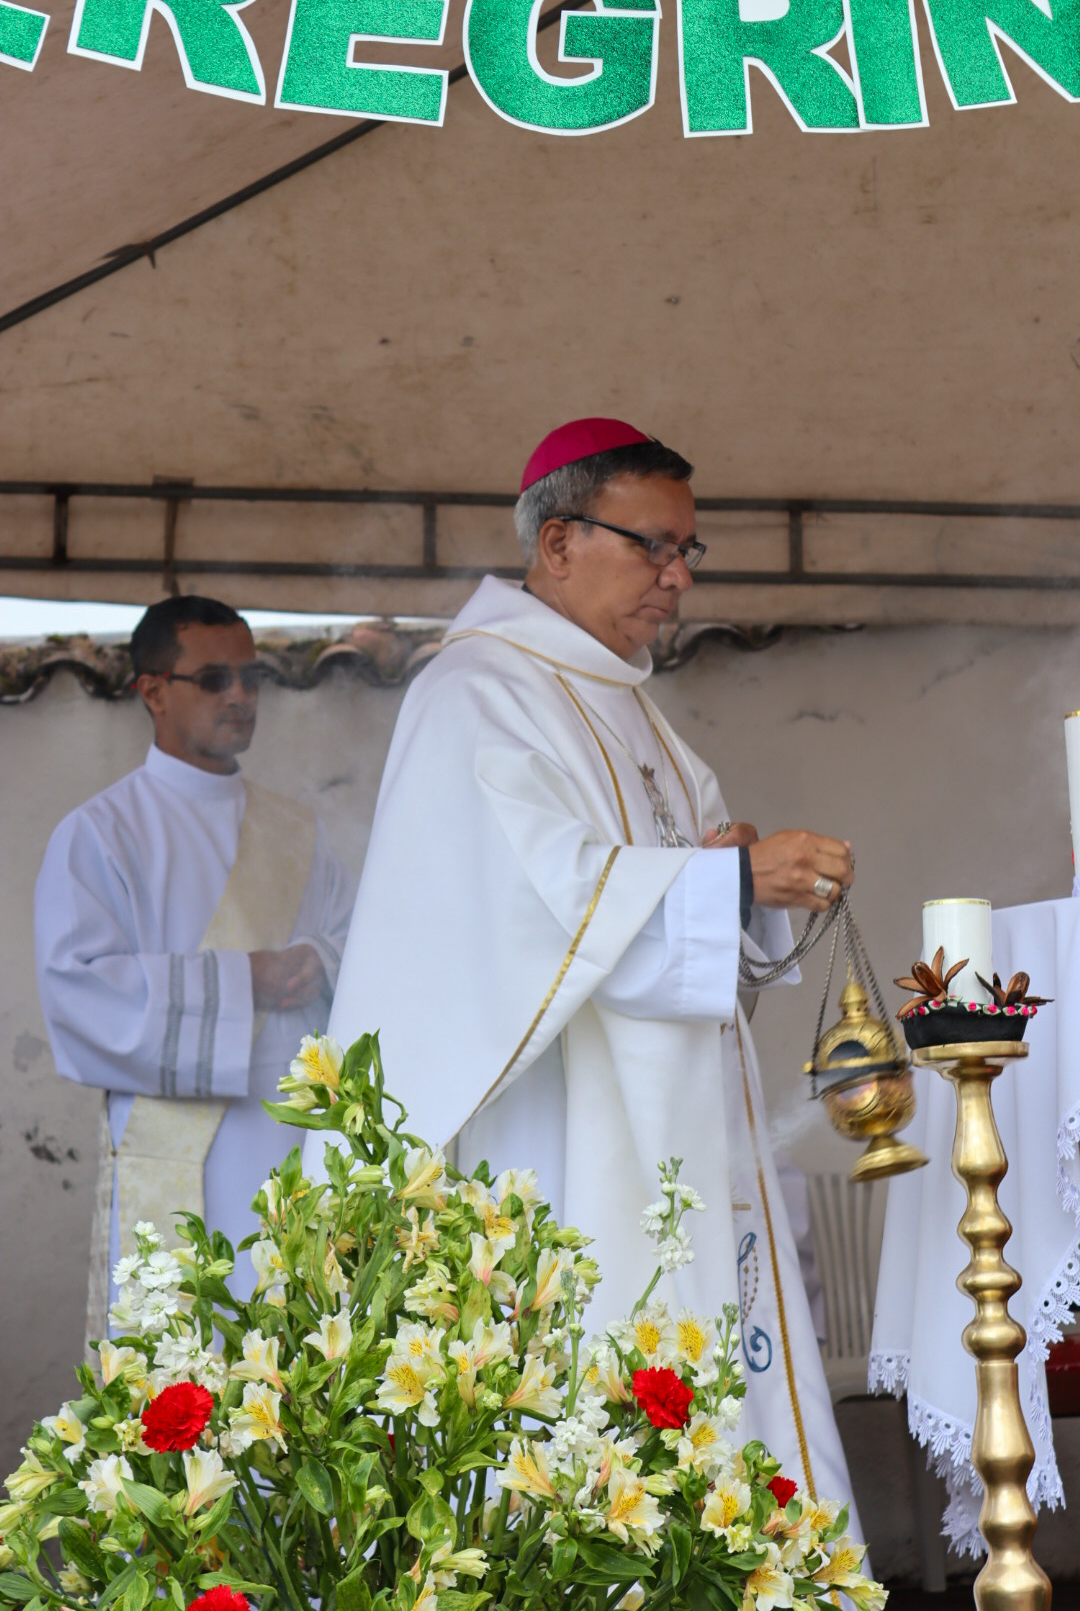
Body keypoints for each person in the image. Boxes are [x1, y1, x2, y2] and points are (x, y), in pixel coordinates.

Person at [308, 418, 858, 1518]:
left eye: (690, 551)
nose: (678, 577)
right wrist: (725, 880)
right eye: (655, 546)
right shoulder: (475, 692)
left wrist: (729, 876)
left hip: (669, 1123)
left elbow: (657, 895)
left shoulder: (632, 707)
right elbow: (531, 909)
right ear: (558, 542)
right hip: (559, 1136)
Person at [34, 595, 357, 1327]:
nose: (240, 696)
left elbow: (356, 941)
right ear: (153, 691)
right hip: (178, 1154)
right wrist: (246, 980)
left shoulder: (298, 830)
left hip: (295, 1146)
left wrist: (321, 959)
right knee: (183, 1359)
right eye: (214, 679)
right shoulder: (101, 833)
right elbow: (79, 992)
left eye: (251, 677)